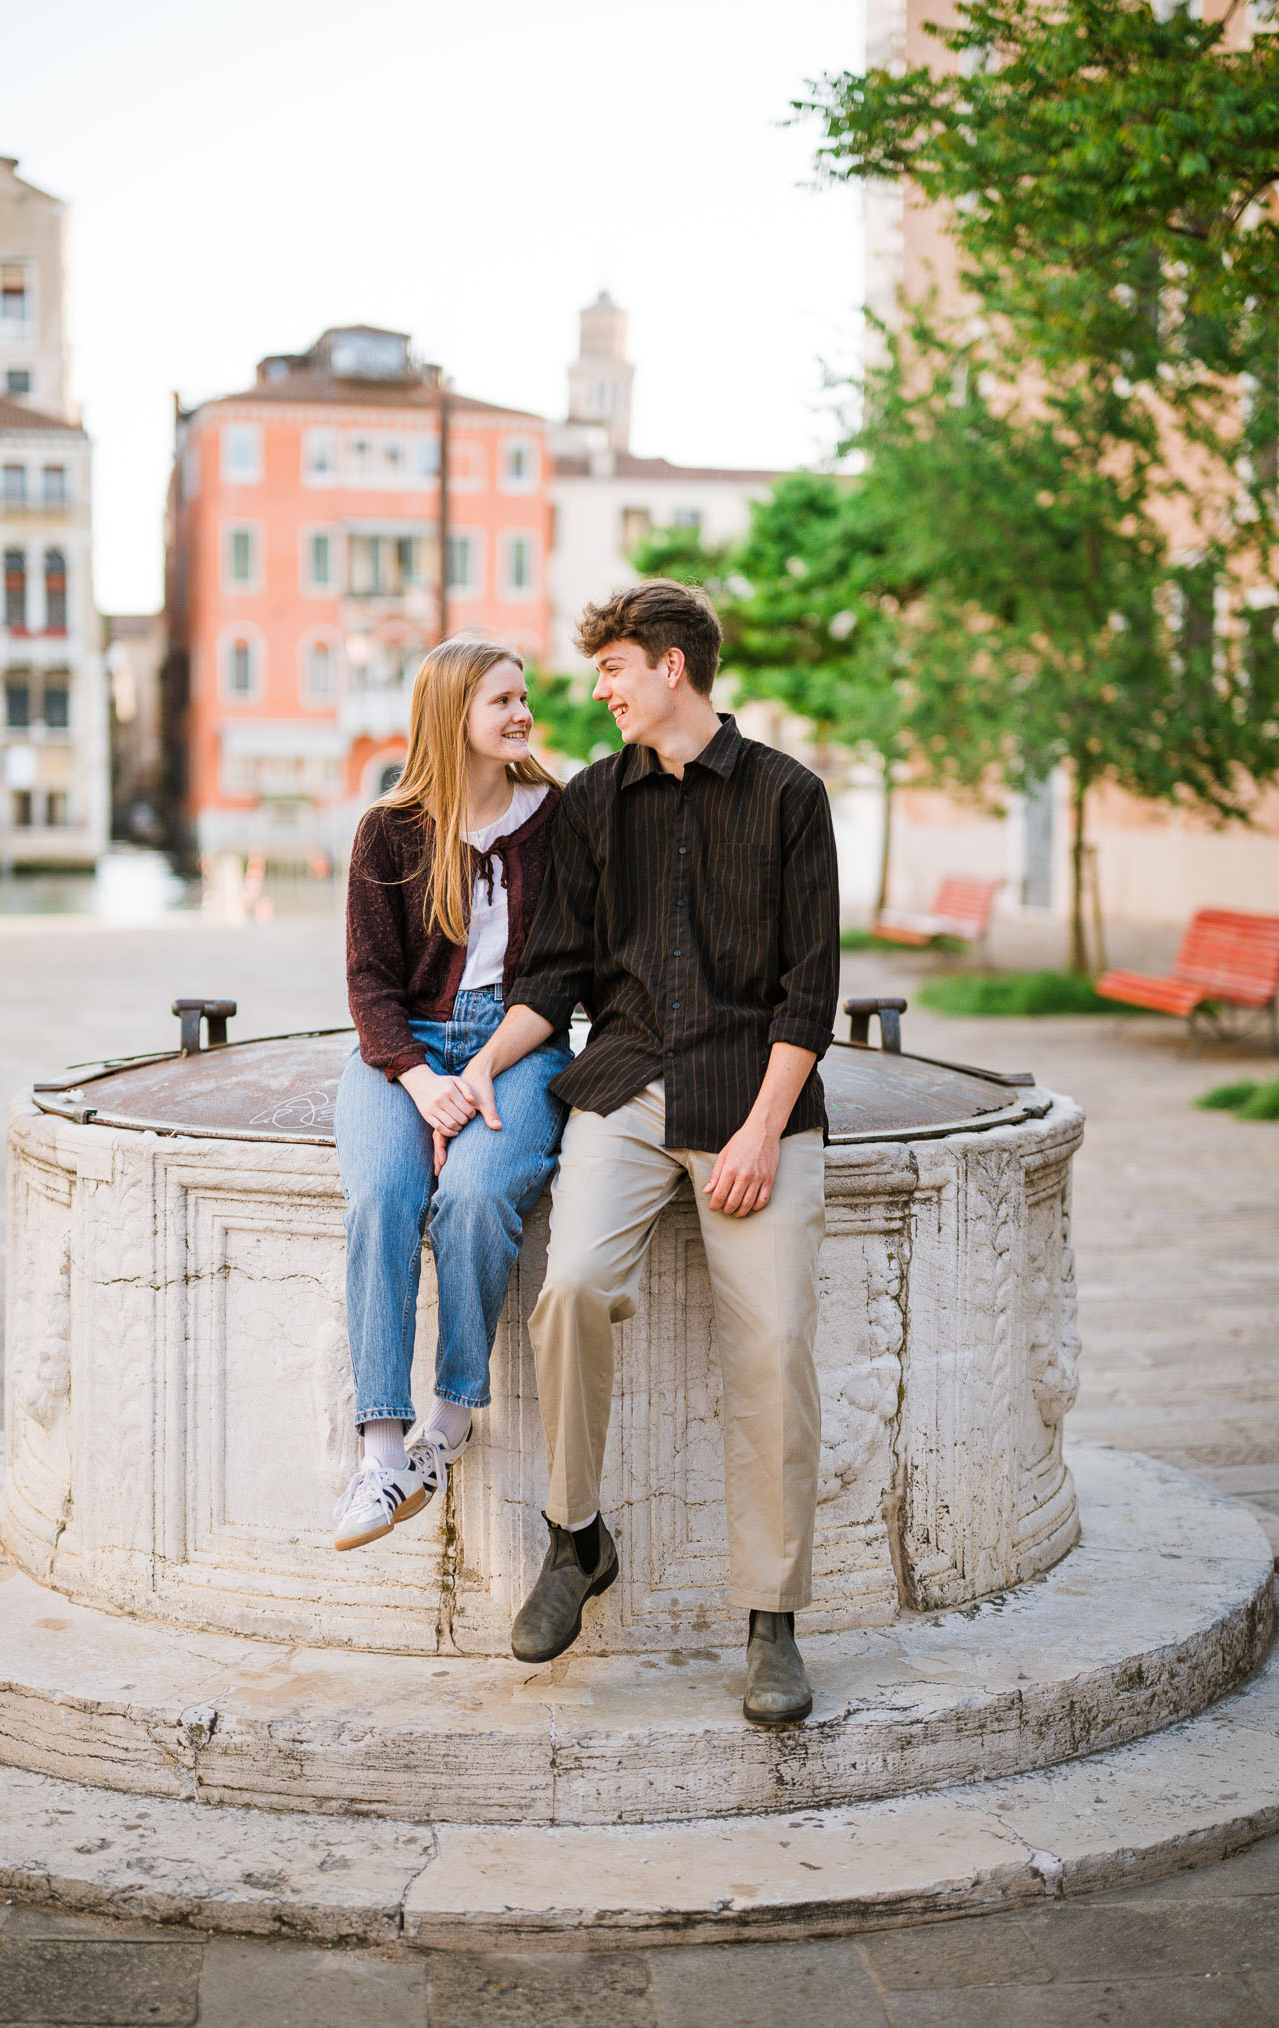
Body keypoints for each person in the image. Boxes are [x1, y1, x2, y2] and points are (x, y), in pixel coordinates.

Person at [455, 581, 838, 1726]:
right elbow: (556, 973)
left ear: (670, 666)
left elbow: (807, 990)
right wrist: (482, 1065)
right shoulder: (589, 804)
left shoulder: (786, 796)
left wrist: (762, 1130)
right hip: (622, 1083)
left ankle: (771, 1622)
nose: (599, 690)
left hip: (754, 1092)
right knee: (567, 1288)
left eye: (612, 669)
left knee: (771, 1342)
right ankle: (576, 1538)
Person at [331, 636, 572, 1553]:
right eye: (503, 701)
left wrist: (480, 1072)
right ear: (452, 718)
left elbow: (565, 974)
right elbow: (369, 983)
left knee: (474, 1196)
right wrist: (422, 1080)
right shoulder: (389, 830)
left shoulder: (557, 821)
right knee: (385, 1197)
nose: (523, 715)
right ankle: (382, 1449)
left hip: (520, 1043)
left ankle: (447, 1426)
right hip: (401, 1054)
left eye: (524, 698)